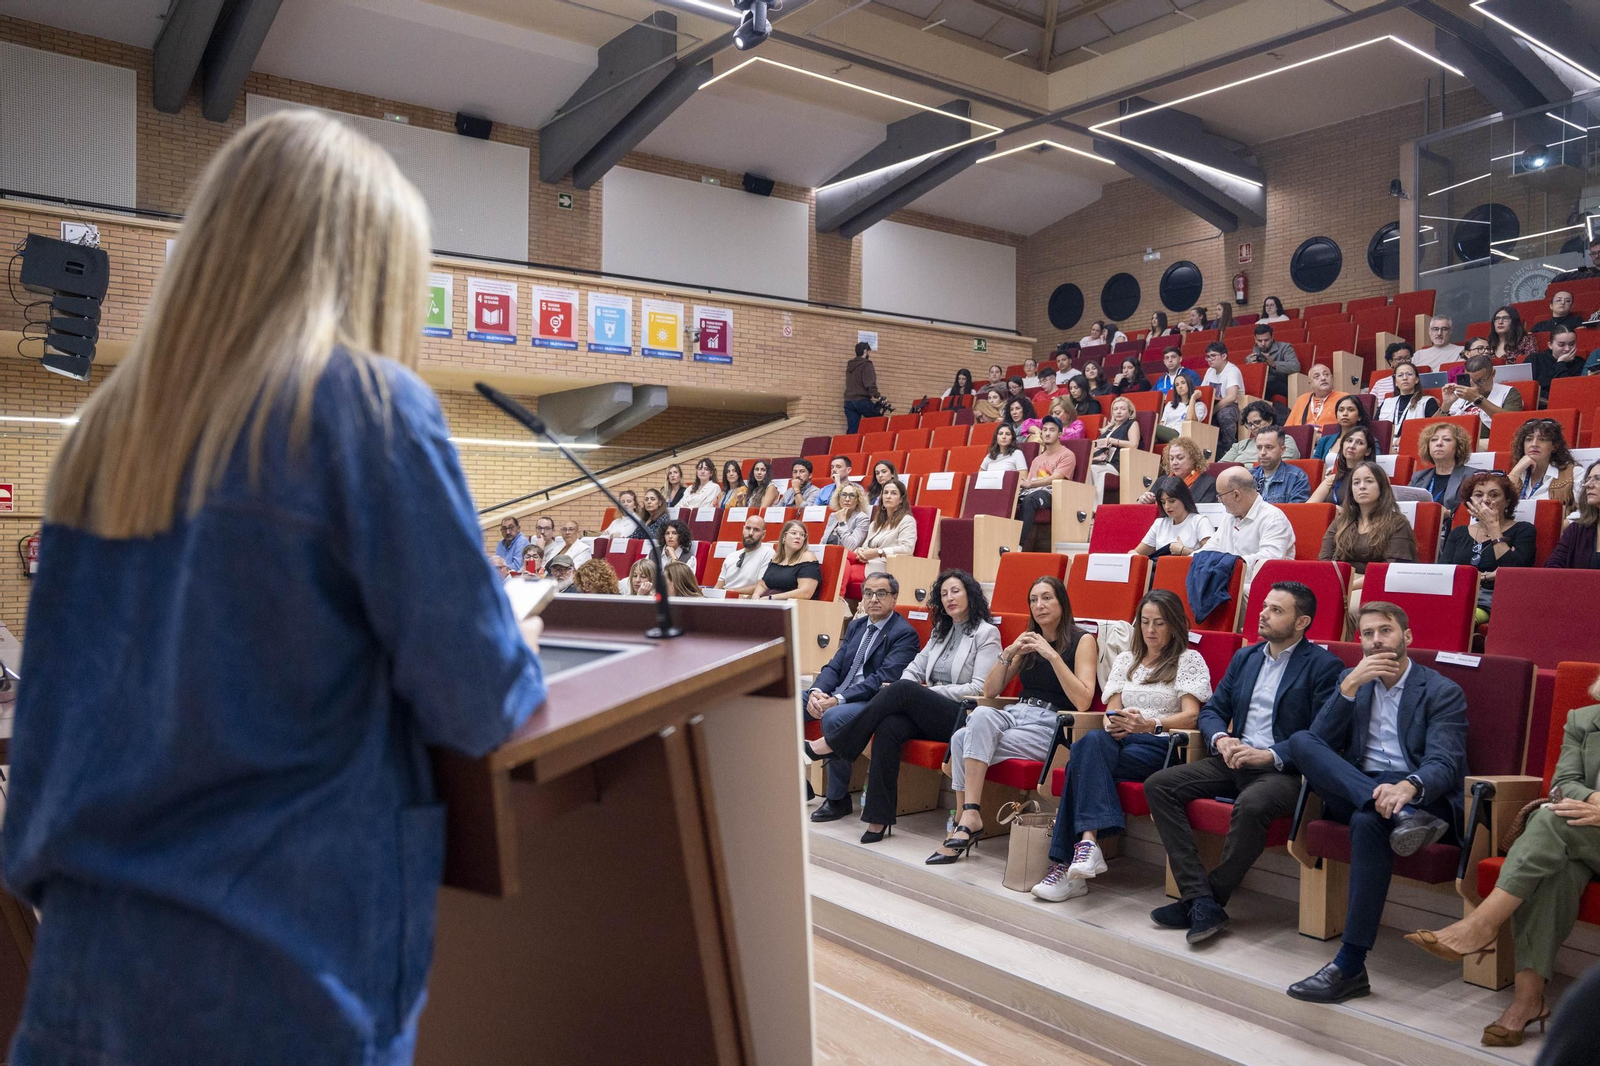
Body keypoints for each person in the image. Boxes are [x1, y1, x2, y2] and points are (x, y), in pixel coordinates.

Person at [0, 111, 552, 1066]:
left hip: (86, 973)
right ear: (366, 269)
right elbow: (480, 698)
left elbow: (53, 731)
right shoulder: (364, 408)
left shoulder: (104, 435)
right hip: (283, 982)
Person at [1280, 601, 1469, 1004]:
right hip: (1362, 788)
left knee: (1368, 823)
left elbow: (1446, 763)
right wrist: (1348, 690)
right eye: (1367, 633)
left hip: (1419, 800)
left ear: (1407, 637)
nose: (1376, 641)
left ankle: (1349, 966)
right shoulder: (1352, 680)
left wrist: (1408, 788)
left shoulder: (1440, 690)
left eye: (1385, 631)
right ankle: (1393, 812)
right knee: (1300, 742)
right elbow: (1318, 744)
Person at [1144, 582, 1344, 941]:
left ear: (1302, 622)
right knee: (1160, 784)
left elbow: (1324, 735)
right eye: (1264, 606)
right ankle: (1199, 896)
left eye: (1276, 610)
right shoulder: (1246, 658)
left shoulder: (1324, 667)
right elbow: (1213, 712)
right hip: (1232, 759)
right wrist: (1222, 739)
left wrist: (1271, 754)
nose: (1263, 614)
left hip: (1284, 771)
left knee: (1252, 805)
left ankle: (1208, 897)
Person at [1032, 590, 1212, 902]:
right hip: (1121, 740)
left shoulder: (1188, 659)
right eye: (1145, 622)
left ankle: (1069, 861)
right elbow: (1110, 712)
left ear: (1173, 626)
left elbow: (1192, 716)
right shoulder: (1126, 660)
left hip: (1161, 745)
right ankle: (1086, 848)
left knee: (1079, 762)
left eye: (1159, 623)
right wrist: (1116, 722)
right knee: (1091, 741)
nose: (1151, 630)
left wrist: (1150, 724)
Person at [806, 570, 1001, 842]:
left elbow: (979, 688)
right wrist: (914, 689)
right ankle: (878, 818)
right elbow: (913, 669)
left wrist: (928, 692)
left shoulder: (986, 633)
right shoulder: (940, 632)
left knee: (903, 688)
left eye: (955, 591)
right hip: (926, 711)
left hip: (961, 716)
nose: (949, 598)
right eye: (943, 594)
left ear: (970, 594)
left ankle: (834, 742)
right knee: (889, 726)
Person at [930, 576, 1097, 863]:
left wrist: (1053, 656)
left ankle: (963, 821)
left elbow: (1083, 700)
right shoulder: (1029, 641)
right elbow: (990, 691)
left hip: (1051, 724)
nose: (1039, 605)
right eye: (1033, 600)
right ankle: (968, 815)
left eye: (1047, 598)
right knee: (976, 718)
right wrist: (1009, 654)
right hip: (1016, 713)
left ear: (1062, 602)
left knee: (961, 739)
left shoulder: (1082, 641)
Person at [803, 574, 920, 822]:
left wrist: (838, 699)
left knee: (835, 717)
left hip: (872, 701)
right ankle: (798, 781)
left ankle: (837, 799)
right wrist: (817, 692)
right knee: (785, 702)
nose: (873, 599)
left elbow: (882, 679)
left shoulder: (904, 634)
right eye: (868, 593)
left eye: (881, 593)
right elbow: (834, 666)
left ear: (894, 598)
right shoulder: (857, 626)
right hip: (837, 694)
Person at [1318, 462, 1418, 615]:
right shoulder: (1341, 521)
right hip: (1341, 580)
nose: (1362, 487)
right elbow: (1324, 559)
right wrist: (1338, 583)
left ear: (1382, 487)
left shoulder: (1398, 523)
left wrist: (1348, 585)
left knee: (1348, 608)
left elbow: (1390, 569)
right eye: (1356, 483)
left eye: (1369, 481)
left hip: (1375, 583)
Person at [1438, 470, 1536, 623]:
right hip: (1458, 595)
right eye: (1478, 495)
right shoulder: (1458, 532)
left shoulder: (1524, 530)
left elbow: (1513, 573)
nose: (1485, 500)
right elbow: (1444, 573)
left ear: (1508, 501)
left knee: (1457, 618)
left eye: (1494, 495)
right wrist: (1484, 576)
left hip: (1497, 599)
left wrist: (1493, 527)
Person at [1195, 468, 1297, 578]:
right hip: (1228, 582)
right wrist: (1186, 561)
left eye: (1220, 496)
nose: (1220, 501)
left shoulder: (1273, 518)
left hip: (1261, 586)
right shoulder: (1229, 517)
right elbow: (1211, 547)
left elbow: (1269, 561)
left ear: (1236, 495)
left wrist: (1227, 564)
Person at [847, 479, 916, 598]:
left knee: (841, 569)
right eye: (885, 492)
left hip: (884, 565)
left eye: (893, 493)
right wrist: (859, 550)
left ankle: (839, 604)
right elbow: (865, 546)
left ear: (901, 499)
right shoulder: (877, 521)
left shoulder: (907, 520)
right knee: (842, 556)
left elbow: (907, 549)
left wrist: (878, 552)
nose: (888, 496)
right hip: (866, 561)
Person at [1013, 416, 1076, 543]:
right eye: (1045, 430)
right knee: (1008, 499)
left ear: (1060, 433)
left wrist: (1030, 485)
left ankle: (1019, 545)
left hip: (1053, 494)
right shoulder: (1037, 459)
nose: (1047, 433)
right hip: (1033, 491)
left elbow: (1056, 478)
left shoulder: (1067, 454)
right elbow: (1029, 481)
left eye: (1052, 430)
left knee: (1030, 500)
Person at [1447, 353, 1524, 440]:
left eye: (1480, 381)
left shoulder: (1509, 392)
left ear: (1493, 373)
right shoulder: (1459, 393)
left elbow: (1511, 423)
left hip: (1486, 441)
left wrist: (1477, 399)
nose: (1475, 386)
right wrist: (1445, 405)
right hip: (1454, 440)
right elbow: (1433, 427)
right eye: (1470, 381)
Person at [1133, 475, 1214, 557]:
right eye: (1163, 502)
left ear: (1183, 498)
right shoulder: (1159, 523)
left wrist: (1185, 551)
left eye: (1172, 501)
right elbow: (1138, 553)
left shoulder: (1200, 521)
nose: (1167, 506)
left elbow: (1211, 555)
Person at [1508, 418, 1576, 507]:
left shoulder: (1573, 473)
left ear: (1554, 446)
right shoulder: (1518, 474)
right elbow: (1500, 506)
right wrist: (1516, 471)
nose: (1534, 444)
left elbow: (1584, 512)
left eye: (1542, 439)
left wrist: (1564, 521)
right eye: (1529, 439)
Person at [1546, 460, 1600, 569]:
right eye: (1588, 479)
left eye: (1597, 479)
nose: (1588, 485)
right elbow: (1552, 568)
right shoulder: (1576, 529)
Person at [1409, 421, 1472, 512]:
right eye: (1434, 440)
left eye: (1446, 439)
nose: (1439, 443)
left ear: (1459, 447)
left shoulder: (1472, 476)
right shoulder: (1418, 477)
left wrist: (1449, 514)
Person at [1136, 436, 1217, 506]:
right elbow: (1144, 508)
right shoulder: (1162, 480)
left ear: (1193, 459)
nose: (1174, 462)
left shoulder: (1207, 483)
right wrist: (1142, 501)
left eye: (1180, 458)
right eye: (1171, 458)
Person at [1089, 396, 1141, 503]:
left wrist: (1113, 441)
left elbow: (1134, 445)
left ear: (1129, 411)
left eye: (1122, 409)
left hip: (1118, 464)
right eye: (1115, 409)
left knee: (1092, 469)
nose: (1119, 412)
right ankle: (1087, 505)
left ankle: (1096, 507)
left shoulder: (1131, 424)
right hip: (1102, 462)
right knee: (1088, 468)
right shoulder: (1108, 429)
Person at [1310, 425, 1379, 506]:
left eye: (1360, 443)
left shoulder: (1375, 478)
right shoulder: (1332, 479)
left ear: (1368, 451)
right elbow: (1307, 508)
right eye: (1349, 441)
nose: (1352, 446)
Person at [754, 519, 821, 600]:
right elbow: (763, 585)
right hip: (770, 603)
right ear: (784, 537)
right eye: (794, 533)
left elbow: (805, 593)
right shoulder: (776, 558)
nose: (798, 537)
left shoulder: (808, 558)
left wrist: (772, 598)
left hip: (796, 607)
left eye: (802, 535)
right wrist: (756, 595)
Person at [1222, 401, 1302, 463]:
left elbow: (1282, 468)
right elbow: (1220, 467)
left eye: (1257, 422)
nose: (1253, 427)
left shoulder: (1284, 440)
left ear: (1270, 420)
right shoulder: (1240, 445)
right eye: (1249, 424)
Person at [1202, 342, 1246, 453]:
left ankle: (1229, 448)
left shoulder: (1232, 370)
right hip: (1214, 405)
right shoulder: (1210, 371)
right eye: (1207, 356)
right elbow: (1203, 392)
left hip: (1233, 406)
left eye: (1213, 356)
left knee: (1224, 414)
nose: (1209, 359)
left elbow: (1231, 397)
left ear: (1224, 356)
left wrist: (1212, 411)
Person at [1374, 362, 1439, 436]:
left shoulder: (1427, 401)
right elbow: (1375, 428)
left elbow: (1435, 428)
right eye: (1400, 375)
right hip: (1387, 445)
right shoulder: (1386, 402)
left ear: (1416, 379)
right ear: (1395, 382)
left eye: (1409, 374)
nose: (1405, 378)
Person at [714, 515, 774, 594]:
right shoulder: (731, 556)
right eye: (748, 528)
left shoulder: (768, 553)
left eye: (756, 530)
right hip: (723, 599)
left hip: (746, 602)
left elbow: (761, 587)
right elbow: (718, 586)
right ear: (743, 529)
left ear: (763, 534)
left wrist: (730, 593)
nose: (750, 533)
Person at [1253, 426, 1312, 503]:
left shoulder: (1297, 477)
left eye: (1269, 447)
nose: (1262, 453)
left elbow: (1295, 512)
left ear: (1282, 450)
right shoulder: (1248, 476)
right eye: (1259, 447)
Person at [1311, 395, 1376, 463]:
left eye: (1351, 410)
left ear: (1359, 416)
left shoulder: (1367, 441)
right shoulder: (1324, 441)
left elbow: (1374, 466)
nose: (1345, 413)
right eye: (1341, 410)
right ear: (1336, 416)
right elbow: (1315, 467)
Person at [1247, 322, 1301, 401]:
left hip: (1282, 383)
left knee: (1267, 386)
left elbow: (1296, 366)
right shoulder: (1251, 357)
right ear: (1255, 339)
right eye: (1260, 341)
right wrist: (1251, 367)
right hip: (1261, 384)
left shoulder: (1285, 347)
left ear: (1272, 337)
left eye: (1266, 340)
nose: (1263, 344)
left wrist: (1273, 364)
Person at [1530, 327, 1583, 404]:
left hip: (1565, 405)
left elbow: (1566, 392)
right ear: (1550, 345)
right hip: (1537, 404)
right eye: (1561, 345)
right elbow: (1528, 389)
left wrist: (1561, 363)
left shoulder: (1579, 363)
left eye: (1572, 344)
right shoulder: (1535, 359)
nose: (1567, 349)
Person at [1286, 363, 1348, 428]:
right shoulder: (1301, 399)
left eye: (1326, 374)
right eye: (1317, 376)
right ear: (1310, 384)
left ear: (1332, 378)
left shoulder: (1343, 398)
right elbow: (1288, 429)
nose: (1323, 378)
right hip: (1302, 436)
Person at [843, 339, 882, 434]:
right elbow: (869, 383)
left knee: (852, 431)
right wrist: (877, 396)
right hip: (861, 401)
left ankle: (851, 448)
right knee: (879, 420)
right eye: (868, 351)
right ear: (865, 351)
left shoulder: (850, 367)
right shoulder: (866, 364)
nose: (869, 354)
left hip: (848, 402)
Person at [1156, 373, 1207, 443]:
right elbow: (1162, 423)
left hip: (1180, 434)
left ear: (1189, 384)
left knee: (1151, 427)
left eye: (1183, 383)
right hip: (1165, 433)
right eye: (1177, 385)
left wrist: (1193, 399)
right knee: (1150, 439)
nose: (1180, 386)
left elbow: (1190, 420)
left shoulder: (1199, 405)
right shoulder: (1170, 405)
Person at [821, 483, 871, 552]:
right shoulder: (834, 516)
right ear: (838, 499)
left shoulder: (862, 519)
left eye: (852, 495)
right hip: (828, 555)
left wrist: (842, 523)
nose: (847, 499)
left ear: (858, 500)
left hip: (845, 558)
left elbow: (851, 547)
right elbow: (823, 541)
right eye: (843, 495)